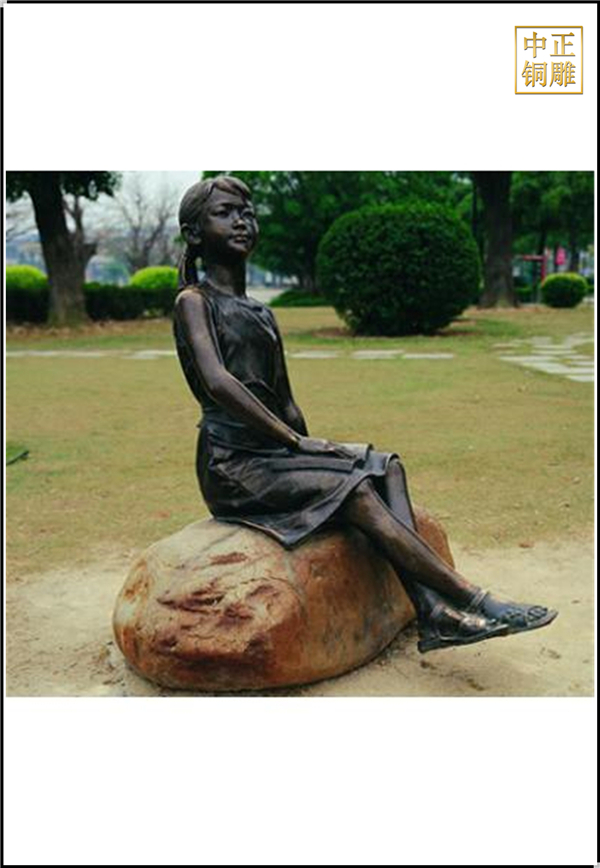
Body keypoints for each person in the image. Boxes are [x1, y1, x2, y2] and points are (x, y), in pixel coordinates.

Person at [172, 175, 557, 653]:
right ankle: (475, 599)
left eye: (247, 213)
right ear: (194, 233)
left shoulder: (261, 314)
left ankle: (434, 614)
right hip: (232, 467)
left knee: (385, 465)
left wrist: (318, 453)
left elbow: (285, 402)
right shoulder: (194, 303)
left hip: (274, 455)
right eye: (225, 212)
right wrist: (297, 447)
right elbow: (219, 383)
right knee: (355, 489)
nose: (241, 221)